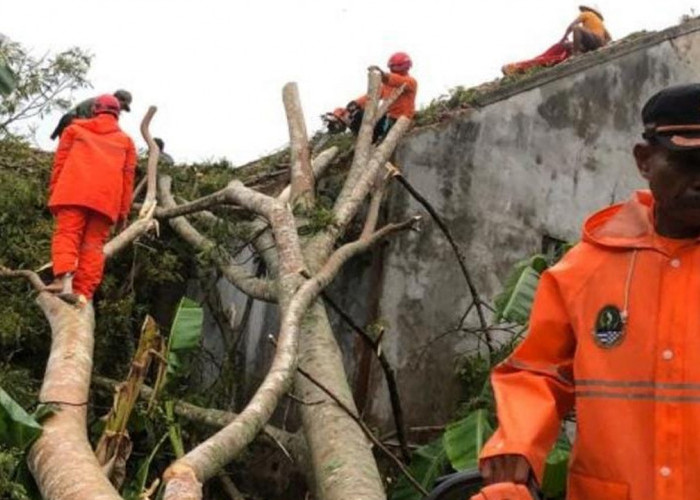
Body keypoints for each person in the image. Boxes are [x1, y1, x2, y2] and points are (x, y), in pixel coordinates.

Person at [476, 83, 700, 499]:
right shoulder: (586, 269)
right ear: (645, 160)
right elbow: (538, 373)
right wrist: (518, 444)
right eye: (689, 161)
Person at [45, 94, 136, 305]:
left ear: (96, 109)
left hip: (72, 193)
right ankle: (83, 293)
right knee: (93, 246)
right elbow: (127, 181)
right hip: (106, 203)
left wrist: (55, 193)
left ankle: (63, 281)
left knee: (68, 235)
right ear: (117, 114)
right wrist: (123, 213)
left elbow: (59, 165)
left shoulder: (74, 130)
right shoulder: (127, 142)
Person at [331, 52, 417, 143]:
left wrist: (383, 75)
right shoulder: (387, 87)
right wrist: (355, 103)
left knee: (360, 118)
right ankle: (344, 124)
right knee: (358, 113)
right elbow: (371, 96)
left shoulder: (411, 82)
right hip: (388, 118)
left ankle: (372, 139)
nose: (393, 70)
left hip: (400, 121)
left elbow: (396, 80)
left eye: (395, 67)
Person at [50, 89, 132, 140]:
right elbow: (97, 125)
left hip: (76, 123)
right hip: (71, 122)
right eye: (123, 106)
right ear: (117, 99)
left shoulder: (106, 105)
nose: (121, 110)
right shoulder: (101, 103)